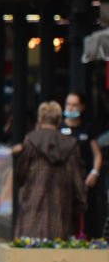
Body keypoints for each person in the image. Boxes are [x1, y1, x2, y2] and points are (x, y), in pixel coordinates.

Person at [13, 101, 87, 239]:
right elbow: (77, 181)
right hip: (60, 211)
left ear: (40, 119)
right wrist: (80, 205)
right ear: (59, 121)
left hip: (32, 211)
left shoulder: (30, 140)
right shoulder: (71, 145)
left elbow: (20, 175)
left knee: (30, 253)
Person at [60, 92, 104, 236]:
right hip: (64, 181)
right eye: (68, 104)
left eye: (74, 105)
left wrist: (95, 172)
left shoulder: (87, 128)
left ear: (82, 107)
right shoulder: (59, 128)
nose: (71, 108)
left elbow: (97, 154)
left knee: (87, 216)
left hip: (85, 181)